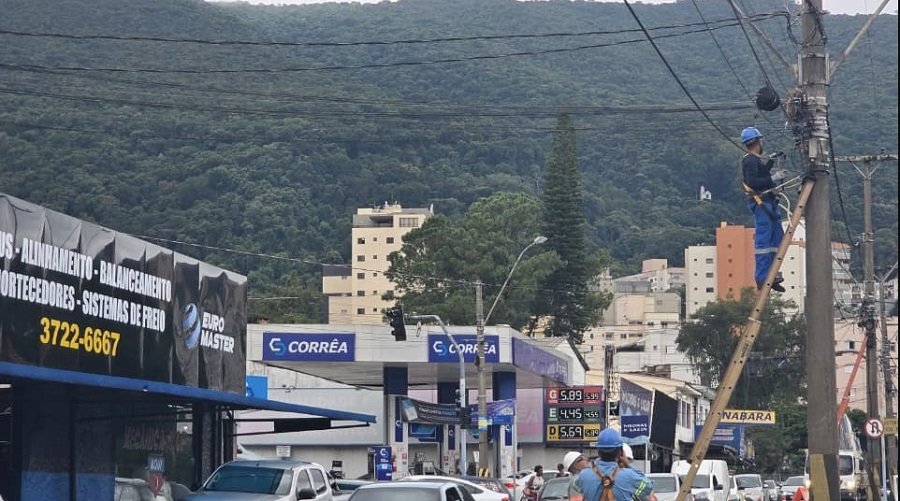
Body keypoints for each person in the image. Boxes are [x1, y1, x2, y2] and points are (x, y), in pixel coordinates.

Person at [740, 126, 787, 293]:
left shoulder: (754, 160)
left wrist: (771, 162)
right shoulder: (750, 160)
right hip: (761, 204)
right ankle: (762, 277)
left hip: (768, 203)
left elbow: (760, 174)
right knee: (764, 242)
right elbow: (754, 182)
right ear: (757, 141)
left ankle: (771, 274)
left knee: (777, 240)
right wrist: (774, 178)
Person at [575, 429, 654, 501]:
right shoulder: (629, 476)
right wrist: (628, 464)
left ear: (598, 452)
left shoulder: (584, 475)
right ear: (620, 452)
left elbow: (577, 487)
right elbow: (648, 487)